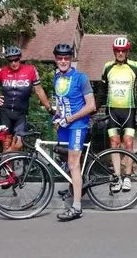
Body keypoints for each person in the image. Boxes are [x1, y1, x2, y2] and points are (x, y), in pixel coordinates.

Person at [97, 37, 137, 192]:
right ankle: (117, 176)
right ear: (114, 51)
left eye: (123, 50)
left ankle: (128, 177)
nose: (121, 53)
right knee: (114, 143)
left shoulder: (135, 66)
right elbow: (102, 91)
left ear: (128, 51)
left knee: (129, 143)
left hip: (129, 111)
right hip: (112, 110)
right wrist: (94, 108)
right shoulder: (107, 67)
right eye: (118, 50)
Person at [51, 43, 96, 222]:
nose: (63, 61)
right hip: (64, 125)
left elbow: (91, 106)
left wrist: (70, 119)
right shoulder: (56, 78)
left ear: (71, 59)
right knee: (62, 157)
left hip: (77, 125)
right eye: (60, 58)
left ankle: (77, 207)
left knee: (73, 163)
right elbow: (60, 104)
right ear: (55, 59)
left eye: (66, 58)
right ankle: (75, 185)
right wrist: (57, 116)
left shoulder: (81, 78)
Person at [0, 45, 54, 152]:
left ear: (20, 58)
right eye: (10, 61)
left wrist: (49, 108)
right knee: (6, 144)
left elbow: (39, 90)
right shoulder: (3, 71)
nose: (14, 63)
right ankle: (5, 167)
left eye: (16, 60)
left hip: (21, 114)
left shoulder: (30, 70)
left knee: (18, 144)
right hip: (5, 112)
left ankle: (1, 160)